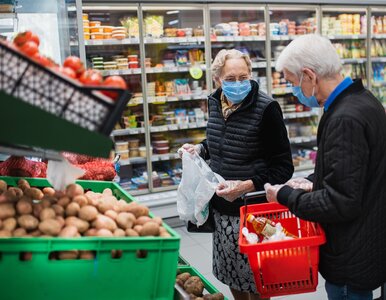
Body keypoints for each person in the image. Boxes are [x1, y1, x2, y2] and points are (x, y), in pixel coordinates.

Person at [264, 34, 386, 300]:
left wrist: (284, 195)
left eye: (294, 83)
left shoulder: (344, 118)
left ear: (309, 75)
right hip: (369, 240)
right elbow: (357, 173)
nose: (295, 91)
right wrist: (314, 180)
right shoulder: (365, 100)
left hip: (350, 256)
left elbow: (340, 203)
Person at [180, 49, 294, 300]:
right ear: (217, 79)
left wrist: (246, 186)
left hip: (254, 212)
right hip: (223, 210)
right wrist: (200, 148)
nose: (238, 84)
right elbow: (221, 142)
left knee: (259, 280)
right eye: (230, 79)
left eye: (244, 77)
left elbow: (284, 166)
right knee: (231, 274)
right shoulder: (216, 102)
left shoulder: (267, 109)